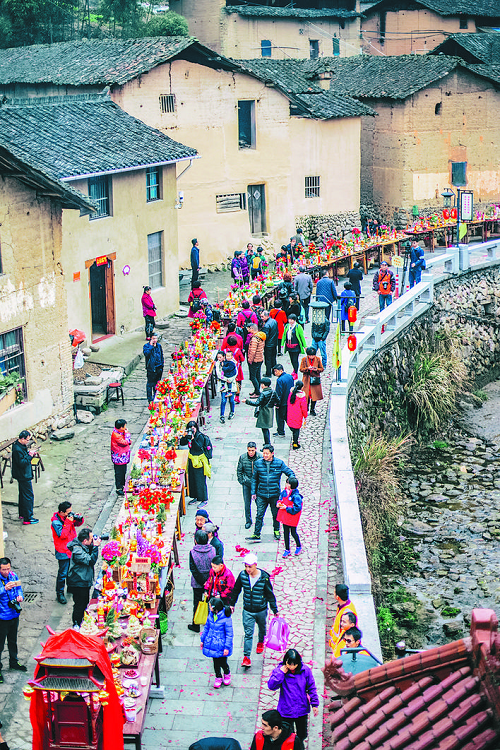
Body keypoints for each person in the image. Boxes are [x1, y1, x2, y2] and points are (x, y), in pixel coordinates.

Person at [230, 553, 278, 668]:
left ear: (255, 565)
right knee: (248, 633)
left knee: (262, 628)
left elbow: (270, 594)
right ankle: (246, 657)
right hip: (248, 610)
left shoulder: (264, 577)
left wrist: (274, 609)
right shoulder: (242, 576)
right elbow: (236, 590)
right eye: (246, 566)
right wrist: (232, 604)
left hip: (261, 609)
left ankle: (261, 641)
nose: (247, 569)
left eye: (250, 566)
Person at [267, 650, 319, 740]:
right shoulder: (280, 671)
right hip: (286, 709)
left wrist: (315, 704)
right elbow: (271, 686)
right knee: (287, 735)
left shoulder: (305, 671)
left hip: (301, 708)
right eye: (289, 664)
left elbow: (311, 687)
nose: (291, 667)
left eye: (294, 664)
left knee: (302, 734)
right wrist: (280, 673)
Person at [248, 444, 295, 542]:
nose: (265, 455)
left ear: (272, 454)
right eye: (264, 453)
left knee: (275, 514)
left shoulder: (279, 463)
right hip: (261, 494)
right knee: (259, 514)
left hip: (274, 494)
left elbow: (289, 472)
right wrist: (253, 492)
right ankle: (257, 534)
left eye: (267, 453)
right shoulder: (258, 463)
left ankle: (276, 530)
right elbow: (254, 479)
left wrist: (291, 483)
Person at [51, 501, 84, 605]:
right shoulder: (56, 522)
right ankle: (59, 593)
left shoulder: (67, 518)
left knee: (72, 570)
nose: (70, 514)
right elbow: (63, 535)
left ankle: (70, 587)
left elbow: (77, 524)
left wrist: (79, 518)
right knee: (63, 573)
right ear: (62, 512)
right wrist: (69, 522)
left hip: (71, 548)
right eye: (68, 512)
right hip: (62, 551)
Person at [67, 528, 101, 628]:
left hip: (83, 580)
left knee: (84, 603)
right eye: (91, 539)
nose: (92, 540)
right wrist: (95, 547)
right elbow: (90, 561)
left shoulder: (83, 545)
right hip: (78, 582)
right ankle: (77, 624)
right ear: (85, 541)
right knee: (79, 605)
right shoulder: (77, 551)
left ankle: (82, 621)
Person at [0, 557, 26, 683]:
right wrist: (4, 589)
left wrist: (20, 596)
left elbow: (19, 588)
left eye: (8, 568)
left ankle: (13, 662)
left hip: (14, 614)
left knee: (13, 641)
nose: (6, 571)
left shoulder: (13, 575)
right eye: (4, 569)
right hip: (2, 618)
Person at [200, 596, 233, 688]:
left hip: (221, 645)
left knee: (223, 662)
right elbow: (206, 628)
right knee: (215, 662)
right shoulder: (210, 615)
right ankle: (218, 676)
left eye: (210, 606)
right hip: (212, 644)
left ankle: (227, 673)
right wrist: (202, 640)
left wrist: (227, 647)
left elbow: (229, 634)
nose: (209, 607)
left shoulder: (226, 619)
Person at [180, 421, 213, 509]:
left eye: (193, 427)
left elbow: (198, 447)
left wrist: (193, 439)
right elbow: (182, 443)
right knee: (192, 480)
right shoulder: (189, 436)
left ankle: (204, 499)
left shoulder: (200, 436)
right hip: (192, 459)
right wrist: (185, 437)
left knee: (200, 481)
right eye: (190, 427)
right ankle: (195, 496)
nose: (192, 429)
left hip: (200, 461)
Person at [188, 529, 216, 633]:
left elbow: (193, 569)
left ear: (195, 540)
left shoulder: (192, 552)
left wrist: (202, 582)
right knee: (211, 602)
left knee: (197, 602)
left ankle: (195, 625)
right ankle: (211, 624)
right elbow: (214, 566)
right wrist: (208, 581)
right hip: (211, 581)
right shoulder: (213, 550)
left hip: (197, 583)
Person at [11, 430, 38, 525]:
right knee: (28, 496)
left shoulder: (19, 446)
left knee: (23, 495)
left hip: (21, 474)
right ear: (22, 439)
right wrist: (30, 456)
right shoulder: (17, 449)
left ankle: (22, 514)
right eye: (27, 440)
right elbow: (22, 463)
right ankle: (28, 517)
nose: (28, 441)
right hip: (23, 475)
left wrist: (29, 454)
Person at [236, 442, 262, 529]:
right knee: (247, 503)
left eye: (252, 450)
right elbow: (239, 471)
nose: (251, 452)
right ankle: (248, 520)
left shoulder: (259, 458)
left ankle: (259, 520)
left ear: (255, 449)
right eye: (249, 450)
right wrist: (242, 481)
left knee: (259, 504)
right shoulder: (243, 458)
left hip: (257, 484)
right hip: (247, 484)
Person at [246, 377, 276, 446]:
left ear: (263, 385)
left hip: (264, 412)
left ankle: (267, 444)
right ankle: (267, 442)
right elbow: (277, 400)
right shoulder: (273, 391)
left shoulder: (263, 393)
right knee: (266, 428)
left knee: (264, 429)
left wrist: (247, 401)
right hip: (270, 411)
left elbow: (257, 403)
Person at [277, 477, 303, 557]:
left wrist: (287, 508)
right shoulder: (284, 492)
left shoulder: (296, 496)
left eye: (288, 483)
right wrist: (278, 503)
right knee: (285, 533)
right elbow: (280, 499)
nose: (286, 484)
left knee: (293, 532)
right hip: (285, 517)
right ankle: (287, 549)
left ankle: (298, 546)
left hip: (292, 518)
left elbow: (297, 508)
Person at [299, 346, 324, 416]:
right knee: (306, 395)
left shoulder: (318, 359)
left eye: (312, 355)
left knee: (314, 395)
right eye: (310, 355)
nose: (311, 357)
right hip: (306, 379)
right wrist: (307, 368)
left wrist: (316, 369)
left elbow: (321, 369)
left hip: (315, 379)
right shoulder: (304, 359)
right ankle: (305, 408)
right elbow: (301, 369)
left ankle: (312, 409)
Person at [110, 418, 132, 496]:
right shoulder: (116, 435)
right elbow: (126, 442)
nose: (125, 428)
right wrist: (127, 434)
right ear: (121, 427)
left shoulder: (119, 432)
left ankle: (123, 485)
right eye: (124, 427)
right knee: (119, 473)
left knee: (123, 471)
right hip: (119, 457)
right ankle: (119, 488)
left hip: (122, 457)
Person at [221, 335, 244, 404]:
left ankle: (228, 392)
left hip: (227, 369)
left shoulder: (225, 351)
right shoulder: (238, 350)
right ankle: (237, 396)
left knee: (227, 380)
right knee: (238, 381)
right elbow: (242, 359)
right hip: (237, 369)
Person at [273, 364, 294, 437]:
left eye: (276, 371)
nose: (275, 373)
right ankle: (291, 429)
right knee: (286, 416)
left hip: (282, 402)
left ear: (281, 370)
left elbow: (279, 393)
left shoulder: (280, 380)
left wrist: (277, 404)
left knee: (280, 418)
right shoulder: (290, 376)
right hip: (289, 400)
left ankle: (281, 431)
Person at [286, 382, 307, 450]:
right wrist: (305, 416)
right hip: (298, 415)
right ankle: (295, 443)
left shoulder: (291, 394)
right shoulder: (302, 397)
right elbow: (304, 408)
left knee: (292, 427)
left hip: (290, 414)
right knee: (296, 430)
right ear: (302, 387)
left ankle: (294, 441)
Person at [143, 334, 164, 403]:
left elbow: (161, 355)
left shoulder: (159, 346)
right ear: (151, 339)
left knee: (157, 383)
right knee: (150, 383)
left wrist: (162, 364)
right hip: (151, 368)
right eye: (153, 338)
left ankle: (156, 396)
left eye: (156, 338)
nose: (155, 340)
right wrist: (151, 346)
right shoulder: (146, 346)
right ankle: (150, 398)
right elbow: (146, 354)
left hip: (159, 367)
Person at [247, 323, 266, 396]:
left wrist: (250, 359)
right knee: (258, 375)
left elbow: (253, 351)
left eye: (249, 328)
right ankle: (257, 390)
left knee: (252, 377)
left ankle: (257, 392)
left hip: (255, 360)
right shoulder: (260, 336)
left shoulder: (255, 339)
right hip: (260, 358)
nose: (248, 330)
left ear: (252, 329)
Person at [219, 350, 237, 424]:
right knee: (223, 400)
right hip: (224, 383)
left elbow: (236, 372)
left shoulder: (233, 363)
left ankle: (232, 412)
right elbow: (219, 373)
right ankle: (222, 415)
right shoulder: (220, 364)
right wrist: (225, 379)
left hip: (231, 383)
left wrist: (230, 379)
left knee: (231, 400)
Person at [261, 310, 279, 377]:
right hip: (274, 343)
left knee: (268, 359)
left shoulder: (266, 325)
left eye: (263, 316)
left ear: (267, 316)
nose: (261, 318)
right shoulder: (274, 321)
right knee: (273, 358)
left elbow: (266, 336)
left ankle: (268, 373)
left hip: (268, 344)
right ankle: (275, 371)